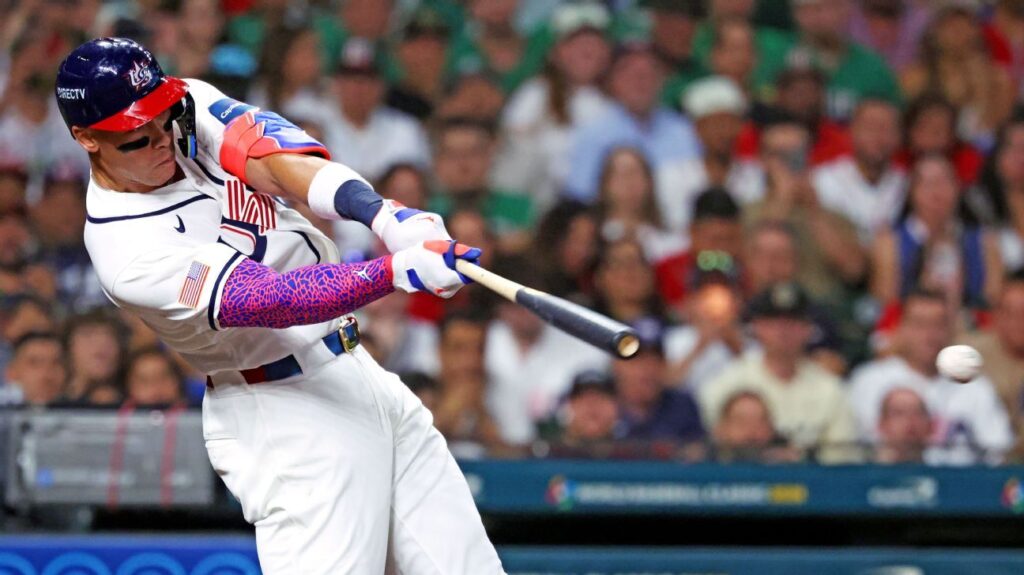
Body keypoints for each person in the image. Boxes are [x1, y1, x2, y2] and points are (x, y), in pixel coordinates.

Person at [55, 38, 502, 573]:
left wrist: (386, 218)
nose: (161, 141)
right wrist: (396, 271)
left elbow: (277, 161)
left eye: (164, 118)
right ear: (86, 138)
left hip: (359, 371)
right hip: (282, 409)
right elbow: (271, 299)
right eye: (135, 138)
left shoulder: (183, 109)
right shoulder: (125, 252)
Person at [700, 282, 858, 460]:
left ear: (809, 329)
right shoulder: (726, 383)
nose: (783, 331)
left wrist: (799, 460)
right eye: (773, 322)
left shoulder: (830, 389)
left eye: (793, 322)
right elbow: (710, 454)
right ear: (756, 326)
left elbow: (844, 461)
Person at [849, 290, 1013, 458]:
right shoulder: (868, 381)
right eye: (920, 324)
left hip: (963, 482)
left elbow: (998, 453)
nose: (930, 335)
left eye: (938, 325)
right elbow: (856, 453)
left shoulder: (975, 386)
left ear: (952, 330)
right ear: (901, 328)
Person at [494, 2, 613, 213]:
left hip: (601, 207)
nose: (586, 50)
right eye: (575, 44)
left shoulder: (615, 102)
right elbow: (513, 164)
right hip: (545, 208)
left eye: (593, 43)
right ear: (556, 53)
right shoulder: (534, 95)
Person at [484, 255, 609, 445]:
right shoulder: (481, 343)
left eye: (531, 303)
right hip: (493, 454)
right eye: (514, 305)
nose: (525, 313)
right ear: (498, 307)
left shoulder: (579, 345)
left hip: (560, 452)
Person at [564, 42, 701, 201]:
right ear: (613, 80)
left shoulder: (683, 130)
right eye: (632, 74)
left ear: (663, 80)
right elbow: (580, 194)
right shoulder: (593, 133)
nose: (640, 82)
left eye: (648, 74)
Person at [656, 76, 763, 235]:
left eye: (730, 123)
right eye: (715, 124)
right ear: (697, 129)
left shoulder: (756, 175)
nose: (724, 132)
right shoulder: (671, 176)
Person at [812, 98, 907, 245]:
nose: (877, 136)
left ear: (898, 136)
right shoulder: (823, 181)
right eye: (869, 127)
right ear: (852, 131)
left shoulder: (907, 186)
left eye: (885, 128)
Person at [960, 272, 1024, 458]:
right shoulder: (969, 351)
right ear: (996, 315)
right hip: (986, 459)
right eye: (1011, 313)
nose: (1019, 322)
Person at [2, 332, 65, 406]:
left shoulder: (79, 409)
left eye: (56, 363)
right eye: (35, 363)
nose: (47, 373)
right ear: (11, 373)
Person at [875, 387, 933, 464]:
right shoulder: (863, 472)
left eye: (918, 413)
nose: (910, 420)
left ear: (929, 424)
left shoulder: (945, 470)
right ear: (882, 424)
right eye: (899, 413)